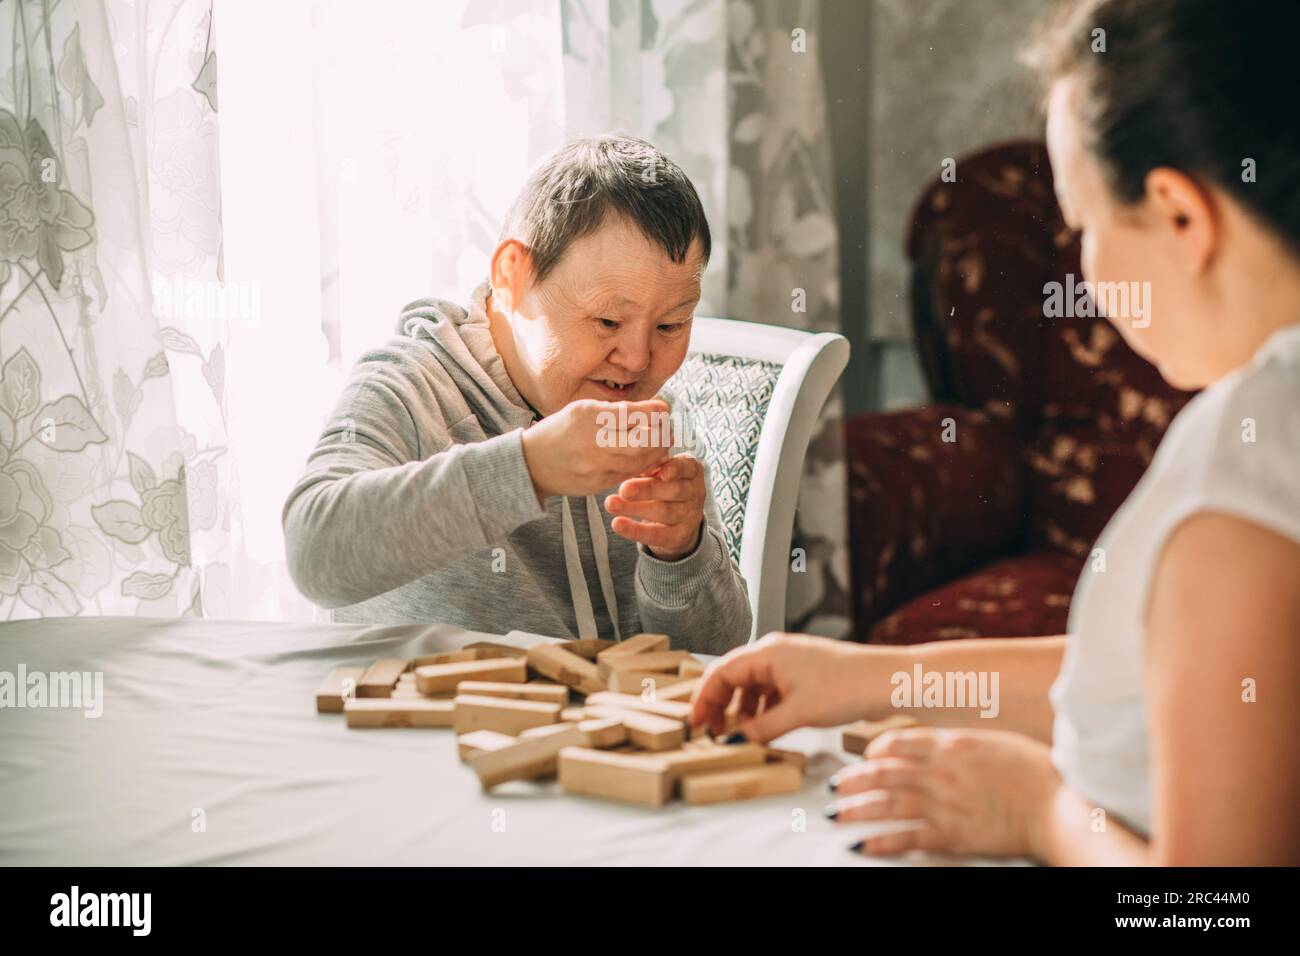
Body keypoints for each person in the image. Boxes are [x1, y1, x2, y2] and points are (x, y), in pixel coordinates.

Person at [692, 0, 1300, 865]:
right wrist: (865, 679)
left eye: (1081, 226)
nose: (1082, 273)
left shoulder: (1243, 480)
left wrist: (1037, 814)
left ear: (1178, 216)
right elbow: (1146, 686)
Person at [283, 134, 752, 653]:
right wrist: (529, 468)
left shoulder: (652, 416)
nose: (638, 360)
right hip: (434, 727)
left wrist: (680, 555)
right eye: (607, 320)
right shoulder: (412, 388)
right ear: (513, 276)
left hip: (603, 729)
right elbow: (312, 553)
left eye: (671, 325)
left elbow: (720, 653)